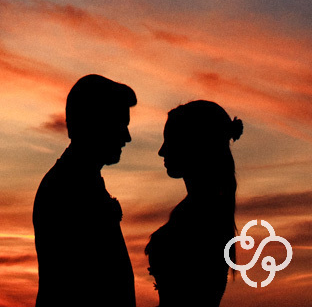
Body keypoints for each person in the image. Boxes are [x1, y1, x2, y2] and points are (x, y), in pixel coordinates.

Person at [34, 74, 138, 307]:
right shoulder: (67, 188)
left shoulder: (80, 182)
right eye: (120, 125)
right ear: (95, 124)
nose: (127, 137)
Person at [145, 101, 244, 306]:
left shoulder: (202, 216)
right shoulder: (205, 209)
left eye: (169, 141)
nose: (161, 151)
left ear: (194, 145)